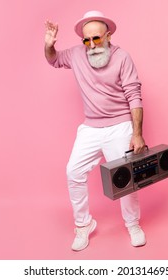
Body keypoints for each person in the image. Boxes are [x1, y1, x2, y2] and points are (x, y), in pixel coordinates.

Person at [44, 10, 146, 251]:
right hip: (91, 126)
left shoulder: (122, 57)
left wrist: (137, 133)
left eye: (97, 38)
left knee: (126, 178)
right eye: (86, 40)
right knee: (73, 172)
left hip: (120, 125)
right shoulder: (77, 55)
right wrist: (49, 45)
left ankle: (132, 224)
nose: (91, 44)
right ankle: (83, 225)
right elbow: (54, 59)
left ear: (108, 35)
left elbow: (134, 95)